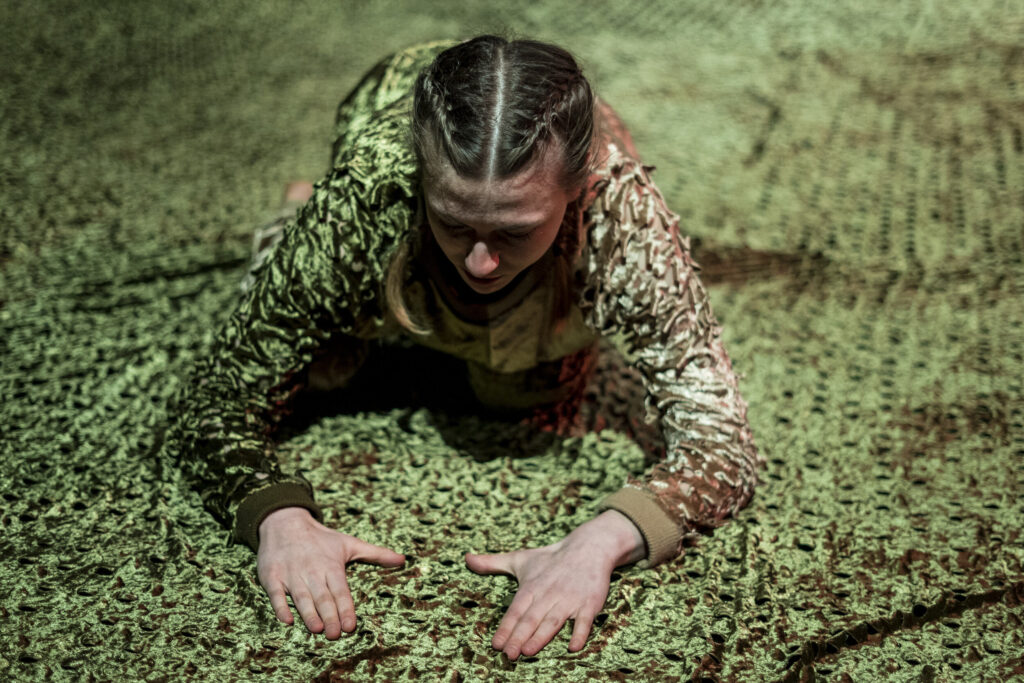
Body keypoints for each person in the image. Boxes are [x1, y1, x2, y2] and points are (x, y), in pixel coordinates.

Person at [162, 35, 764, 662]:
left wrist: (605, 539)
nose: (480, 261)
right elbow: (218, 397)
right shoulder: (372, 185)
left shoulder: (618, 206)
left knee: (523, 392)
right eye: (454, 222)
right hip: (387, 180)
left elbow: (722, 442)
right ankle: (295, 223)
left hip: (546, 254)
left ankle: (445, 257)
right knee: (325, 368)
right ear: (422, 182)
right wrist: (278, 518)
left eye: (515, 231)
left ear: (575, 190)